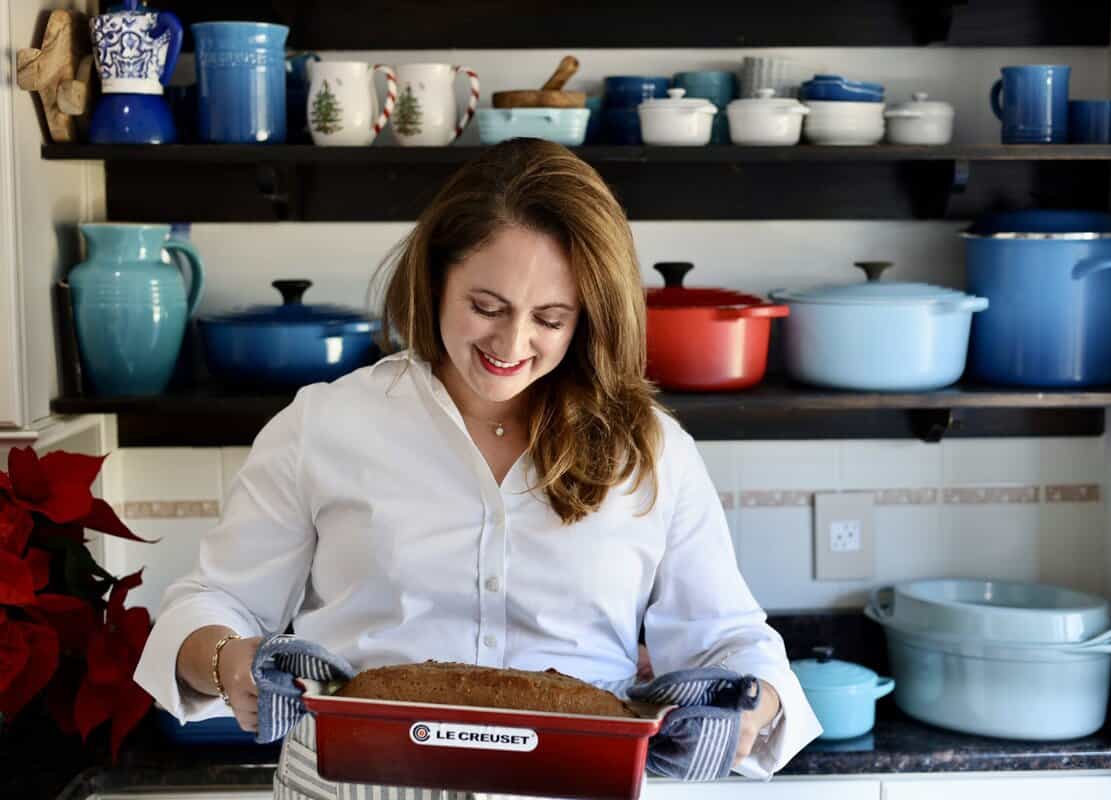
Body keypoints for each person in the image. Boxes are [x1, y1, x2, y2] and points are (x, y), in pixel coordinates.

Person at [134, 138, 822, 797]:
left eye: (550, 319)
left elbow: (728, 637)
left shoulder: (649, 451)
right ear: (435, 278)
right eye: (486, 307)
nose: (511, 343)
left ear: (589, 317)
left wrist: (748, 706)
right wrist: (226, 659)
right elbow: (214, 600)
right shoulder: (326, 425)